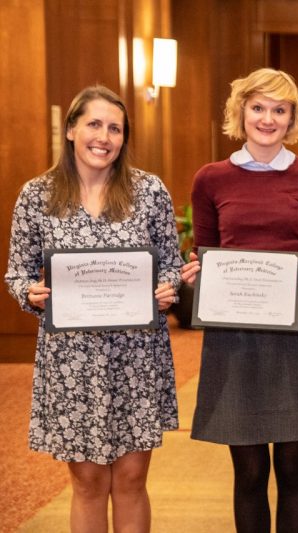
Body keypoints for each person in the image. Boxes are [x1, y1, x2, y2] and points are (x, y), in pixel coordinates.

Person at [4, 85, 182, 531]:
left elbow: (171, 264)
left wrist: (167, 288)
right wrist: (31, 294)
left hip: (138, 357)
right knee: (86, 483)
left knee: (131, 478)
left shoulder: (149, 191)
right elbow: (17, 273)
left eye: (115, 128)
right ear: (70, 130)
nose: (104, 137)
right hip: (72, 361)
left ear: (124, 138)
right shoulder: (37, 195)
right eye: (94, 124)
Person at [180, 68, 298, 533]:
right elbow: (205, 251)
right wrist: (196, 270)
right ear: (240, 112)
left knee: (294, 470)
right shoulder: (210, 179)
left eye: (279, 109)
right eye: (258, 108)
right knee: (248, 472)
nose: (267, 119)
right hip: (235, 338)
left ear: (292, 118)